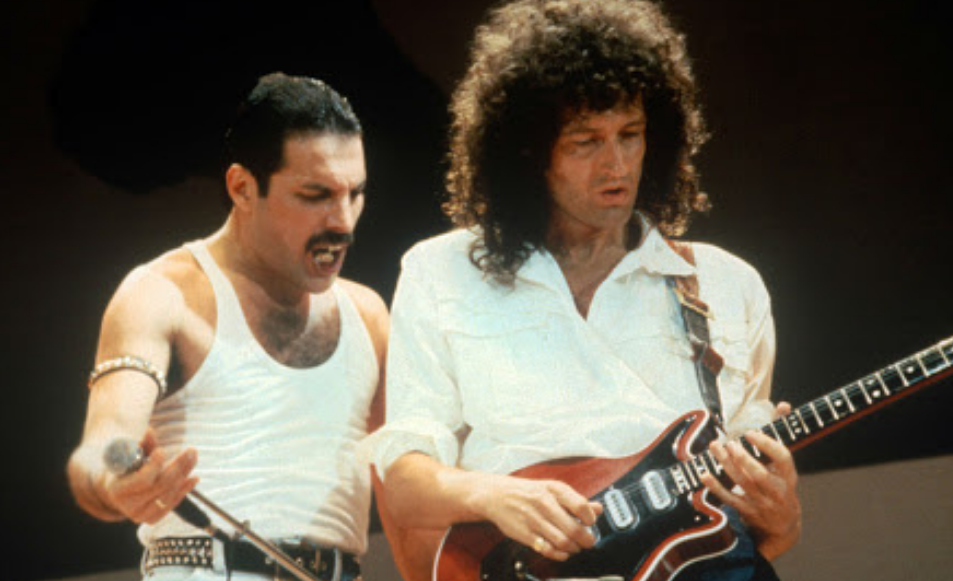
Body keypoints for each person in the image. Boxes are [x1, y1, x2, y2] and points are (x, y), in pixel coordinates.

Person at [370, 1, 801, 580]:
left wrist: (781, 516)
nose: (615, 164)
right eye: (585, 141)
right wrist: (494, 495)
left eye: (631, 135)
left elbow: (749, 517)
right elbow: (403, 484)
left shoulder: (729, 284)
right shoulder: (441, 271)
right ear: (528, 150)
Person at [67, 73, 388, 581]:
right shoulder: (162, 294)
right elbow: (103, 445)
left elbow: (407, 488)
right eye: (315, 195)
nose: (343, 222)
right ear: (242, 187)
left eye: (356, 194)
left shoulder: (368, 315)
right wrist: (115, 478)